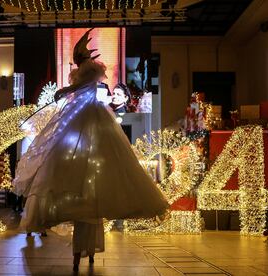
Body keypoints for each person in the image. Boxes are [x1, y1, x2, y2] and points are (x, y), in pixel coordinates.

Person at [13, 29, 169, 271]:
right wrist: (64, 93)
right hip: (82, 118)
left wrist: (64, 91)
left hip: (86, 117)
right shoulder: (85, 72)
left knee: (77, 157)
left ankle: (82, 244)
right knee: (70, 157)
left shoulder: (89, 72)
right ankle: (85, 246)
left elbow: (83, 86)